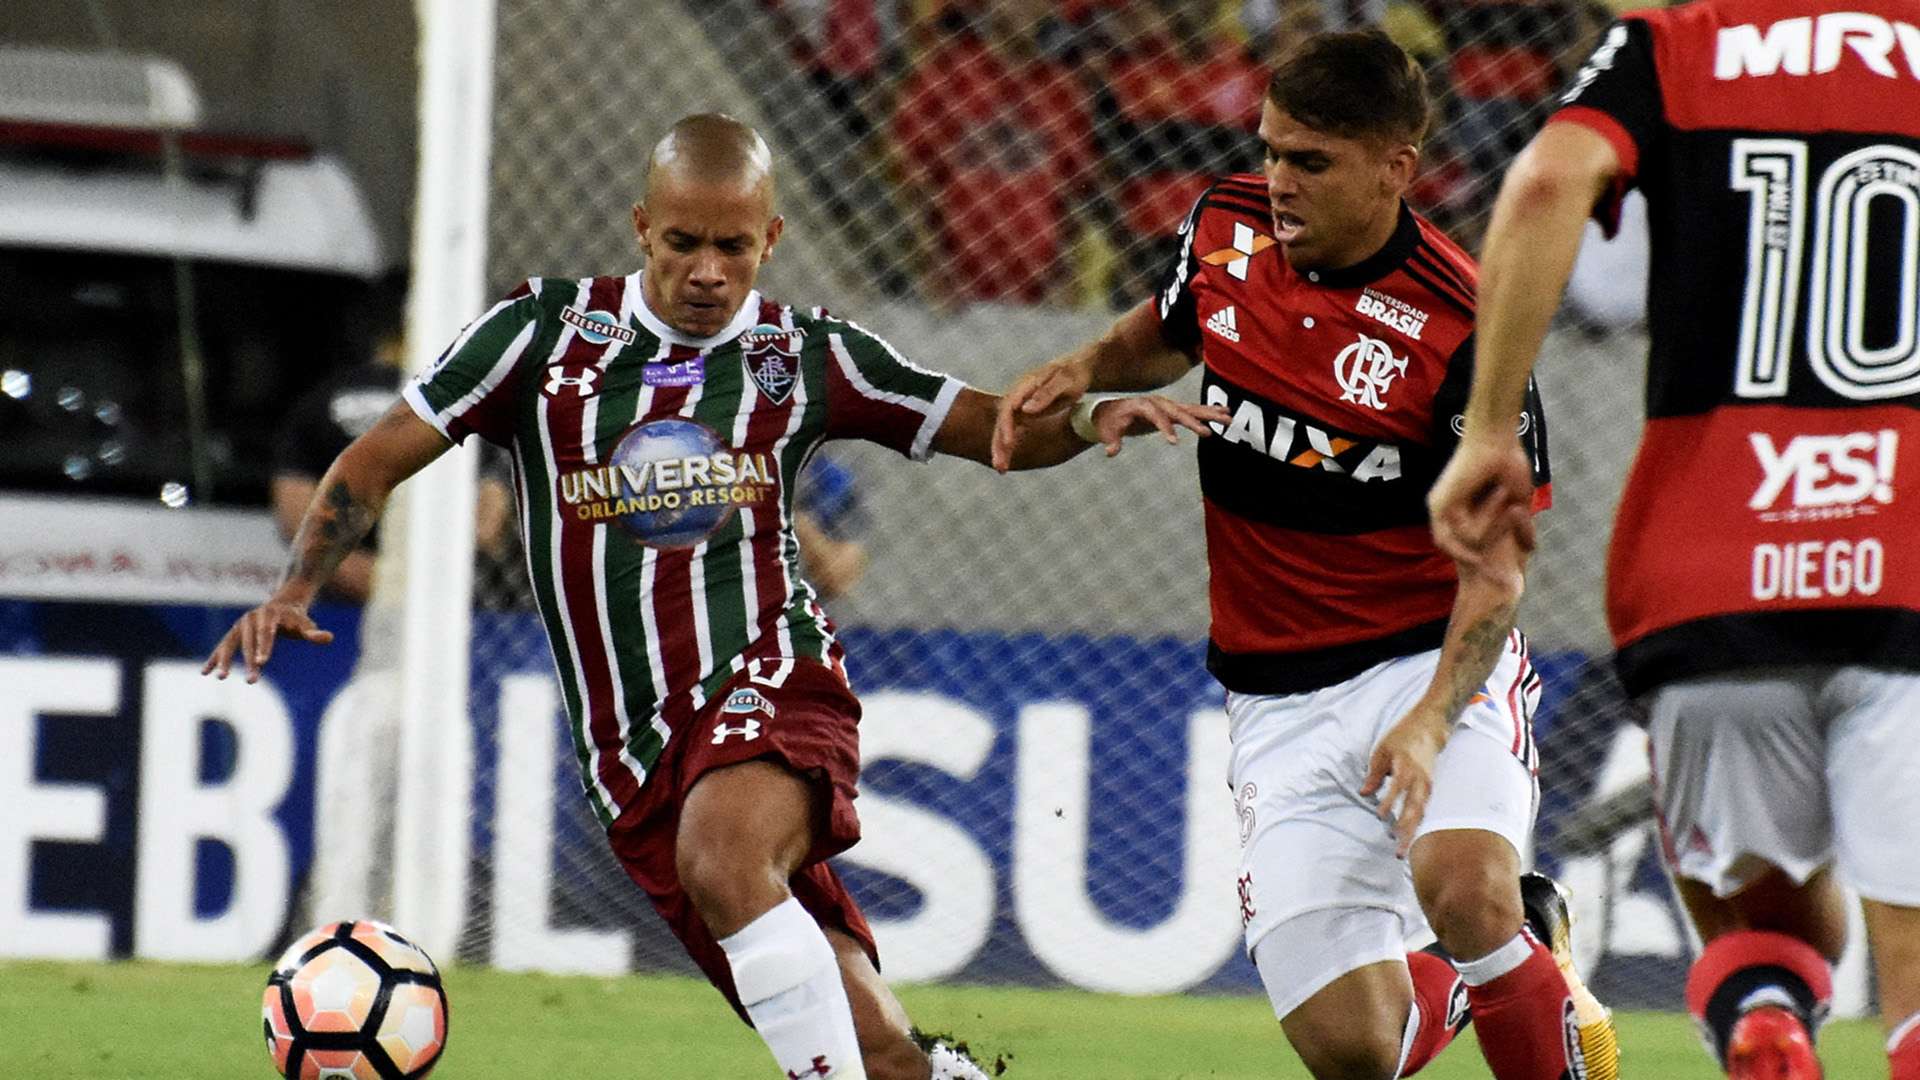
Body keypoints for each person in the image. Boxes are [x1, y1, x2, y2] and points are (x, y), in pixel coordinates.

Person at [203, 113, 1222, 1080]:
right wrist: (295, 583)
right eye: (683, 241)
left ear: (771, 238)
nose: (706, 271)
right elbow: (376, 456)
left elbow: (993, 425)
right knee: (873, 1043)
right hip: (634, 753)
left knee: (726, 858)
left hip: (774, 675)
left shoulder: (806, 356)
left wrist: (1090, 418)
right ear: (642, 227)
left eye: (733, 247)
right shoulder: (541, 335)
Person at [993, 30, 1618, 1080]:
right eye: (1272, 150)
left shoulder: (1464, 330)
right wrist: (1085, 363)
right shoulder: (1226, 225)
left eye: (1311, 162)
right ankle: (1513, 951)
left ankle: (1501, 936)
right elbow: (1169, 324)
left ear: (1396, 167)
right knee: (1352, 1047)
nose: (1278, 181)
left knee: (1465, 887)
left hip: (1426, 660)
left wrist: (1427, 725)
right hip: (1276, 701)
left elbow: (1500, 576)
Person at [1426, 2, 1920, 1078]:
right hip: (1907, 547)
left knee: (1769, 929)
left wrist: (1490, 429)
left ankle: (1768, 1018)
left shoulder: (1676, 42)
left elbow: (1550, 181)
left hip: (1712, 566)